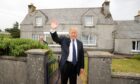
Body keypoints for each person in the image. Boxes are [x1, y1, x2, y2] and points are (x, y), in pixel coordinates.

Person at [50, 20, 84, 84]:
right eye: (72, 33)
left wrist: (82, 67)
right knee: (63, 82)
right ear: (69, 33)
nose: (73, 34)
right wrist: (53, 29)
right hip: (65, 65)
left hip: (74, 66)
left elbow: (81, 56)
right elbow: (56, 39)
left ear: (77, 34)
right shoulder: (64, 40)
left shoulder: (80, 43)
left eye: (75, 33)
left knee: (73, 82)